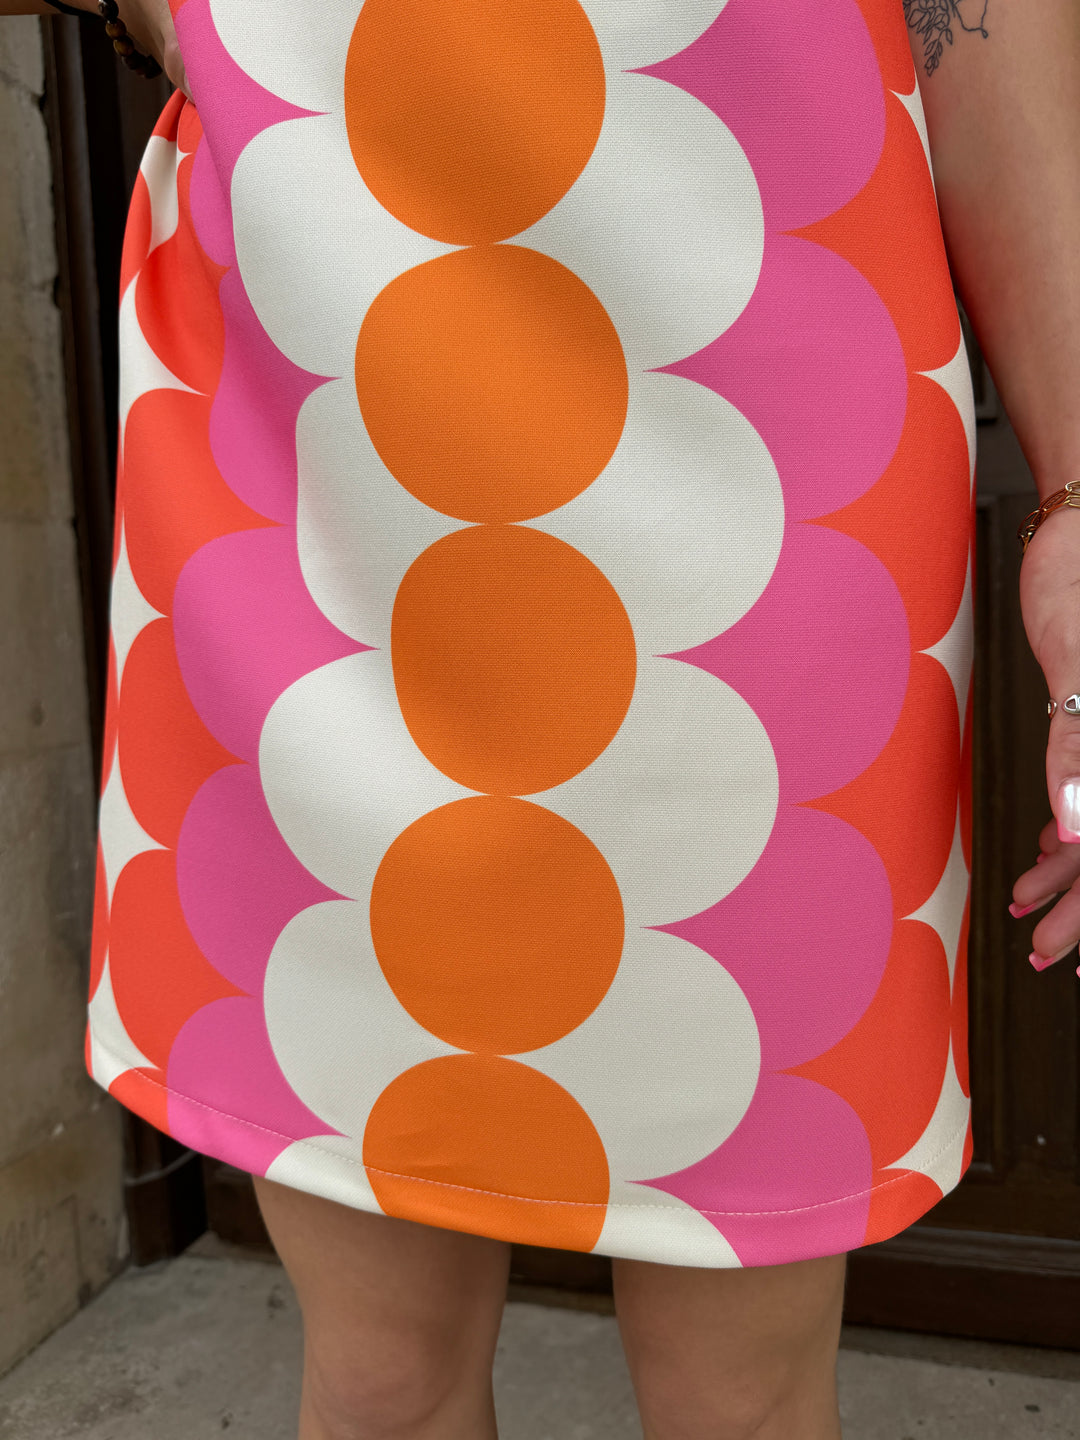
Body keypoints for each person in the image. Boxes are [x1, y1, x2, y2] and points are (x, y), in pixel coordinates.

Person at [6, 2, 1080, 1437]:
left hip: (772, 441)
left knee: (741, 1396)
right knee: (382, 1378)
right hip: (312, 416)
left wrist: (1076, 494)